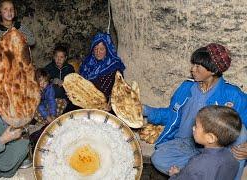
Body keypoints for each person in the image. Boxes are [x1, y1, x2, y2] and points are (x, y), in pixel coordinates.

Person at [143, 43, 247, 179]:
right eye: (193, 64)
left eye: (198, 66)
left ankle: (196, 172)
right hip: (186, 142)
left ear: (213, 70)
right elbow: (171, 114)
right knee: (158, 158)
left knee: (241, 134)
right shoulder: (187, 87)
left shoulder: (233, 95)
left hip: (216, 149)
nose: (192, 69)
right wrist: (146, 111)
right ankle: (196, 171)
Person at [169, 105, 241, 180]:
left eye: (196, 126)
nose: (193, 128)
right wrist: (182, 173)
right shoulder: (232, 160)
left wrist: (174, 175)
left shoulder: (197, 164)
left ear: (210, 138)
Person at [79, 32, 125, 101]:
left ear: (107, 50)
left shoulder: (114, 68)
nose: (98, 52)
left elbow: (113, 92)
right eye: (96, 49)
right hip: (84, 99)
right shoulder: (87, 65)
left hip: (103, 104)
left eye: (101, 49)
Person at [29, 69, 67, 145]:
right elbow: (39, 105)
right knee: (33, 111)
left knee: (62, 102)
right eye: (40, 82)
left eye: (45, 82)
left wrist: (53, 114)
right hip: (37, 105)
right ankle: (44, 121)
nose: (43, 84)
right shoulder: (35, 90)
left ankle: (51, 119)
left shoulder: (49, 88)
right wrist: (47, 116)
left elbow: (51, 100)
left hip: (46, 104)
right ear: (36, 82)